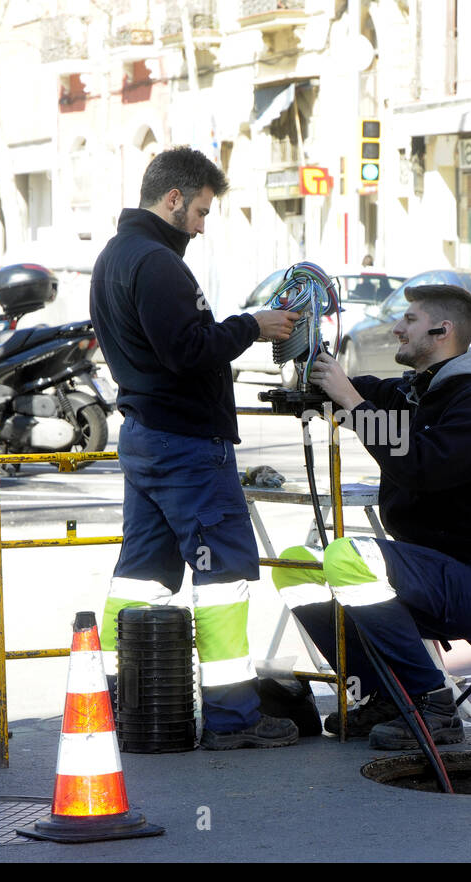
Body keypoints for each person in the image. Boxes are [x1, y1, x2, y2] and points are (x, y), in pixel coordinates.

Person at [90, 146, 303, 750]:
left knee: (143, 574)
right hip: (185, 444)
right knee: (224, 574)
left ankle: (107, 698)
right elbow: (187, 351)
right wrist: (253, 326)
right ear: (174, 198)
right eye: (203, 212)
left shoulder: (115, 256)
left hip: (147, 438)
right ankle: (234, 718)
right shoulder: (155, 263)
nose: (204, 225)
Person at [271, 284, 471, 749]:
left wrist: (352, 404)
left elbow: (422, 466)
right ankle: (384, 695)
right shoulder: (415, 393)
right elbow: (352, 397)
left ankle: (433, 703)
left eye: (409, 320)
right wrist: (308, 366)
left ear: (442, 330)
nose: (396, 328)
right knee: (296, 565)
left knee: (350, 557)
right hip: (429, 576)